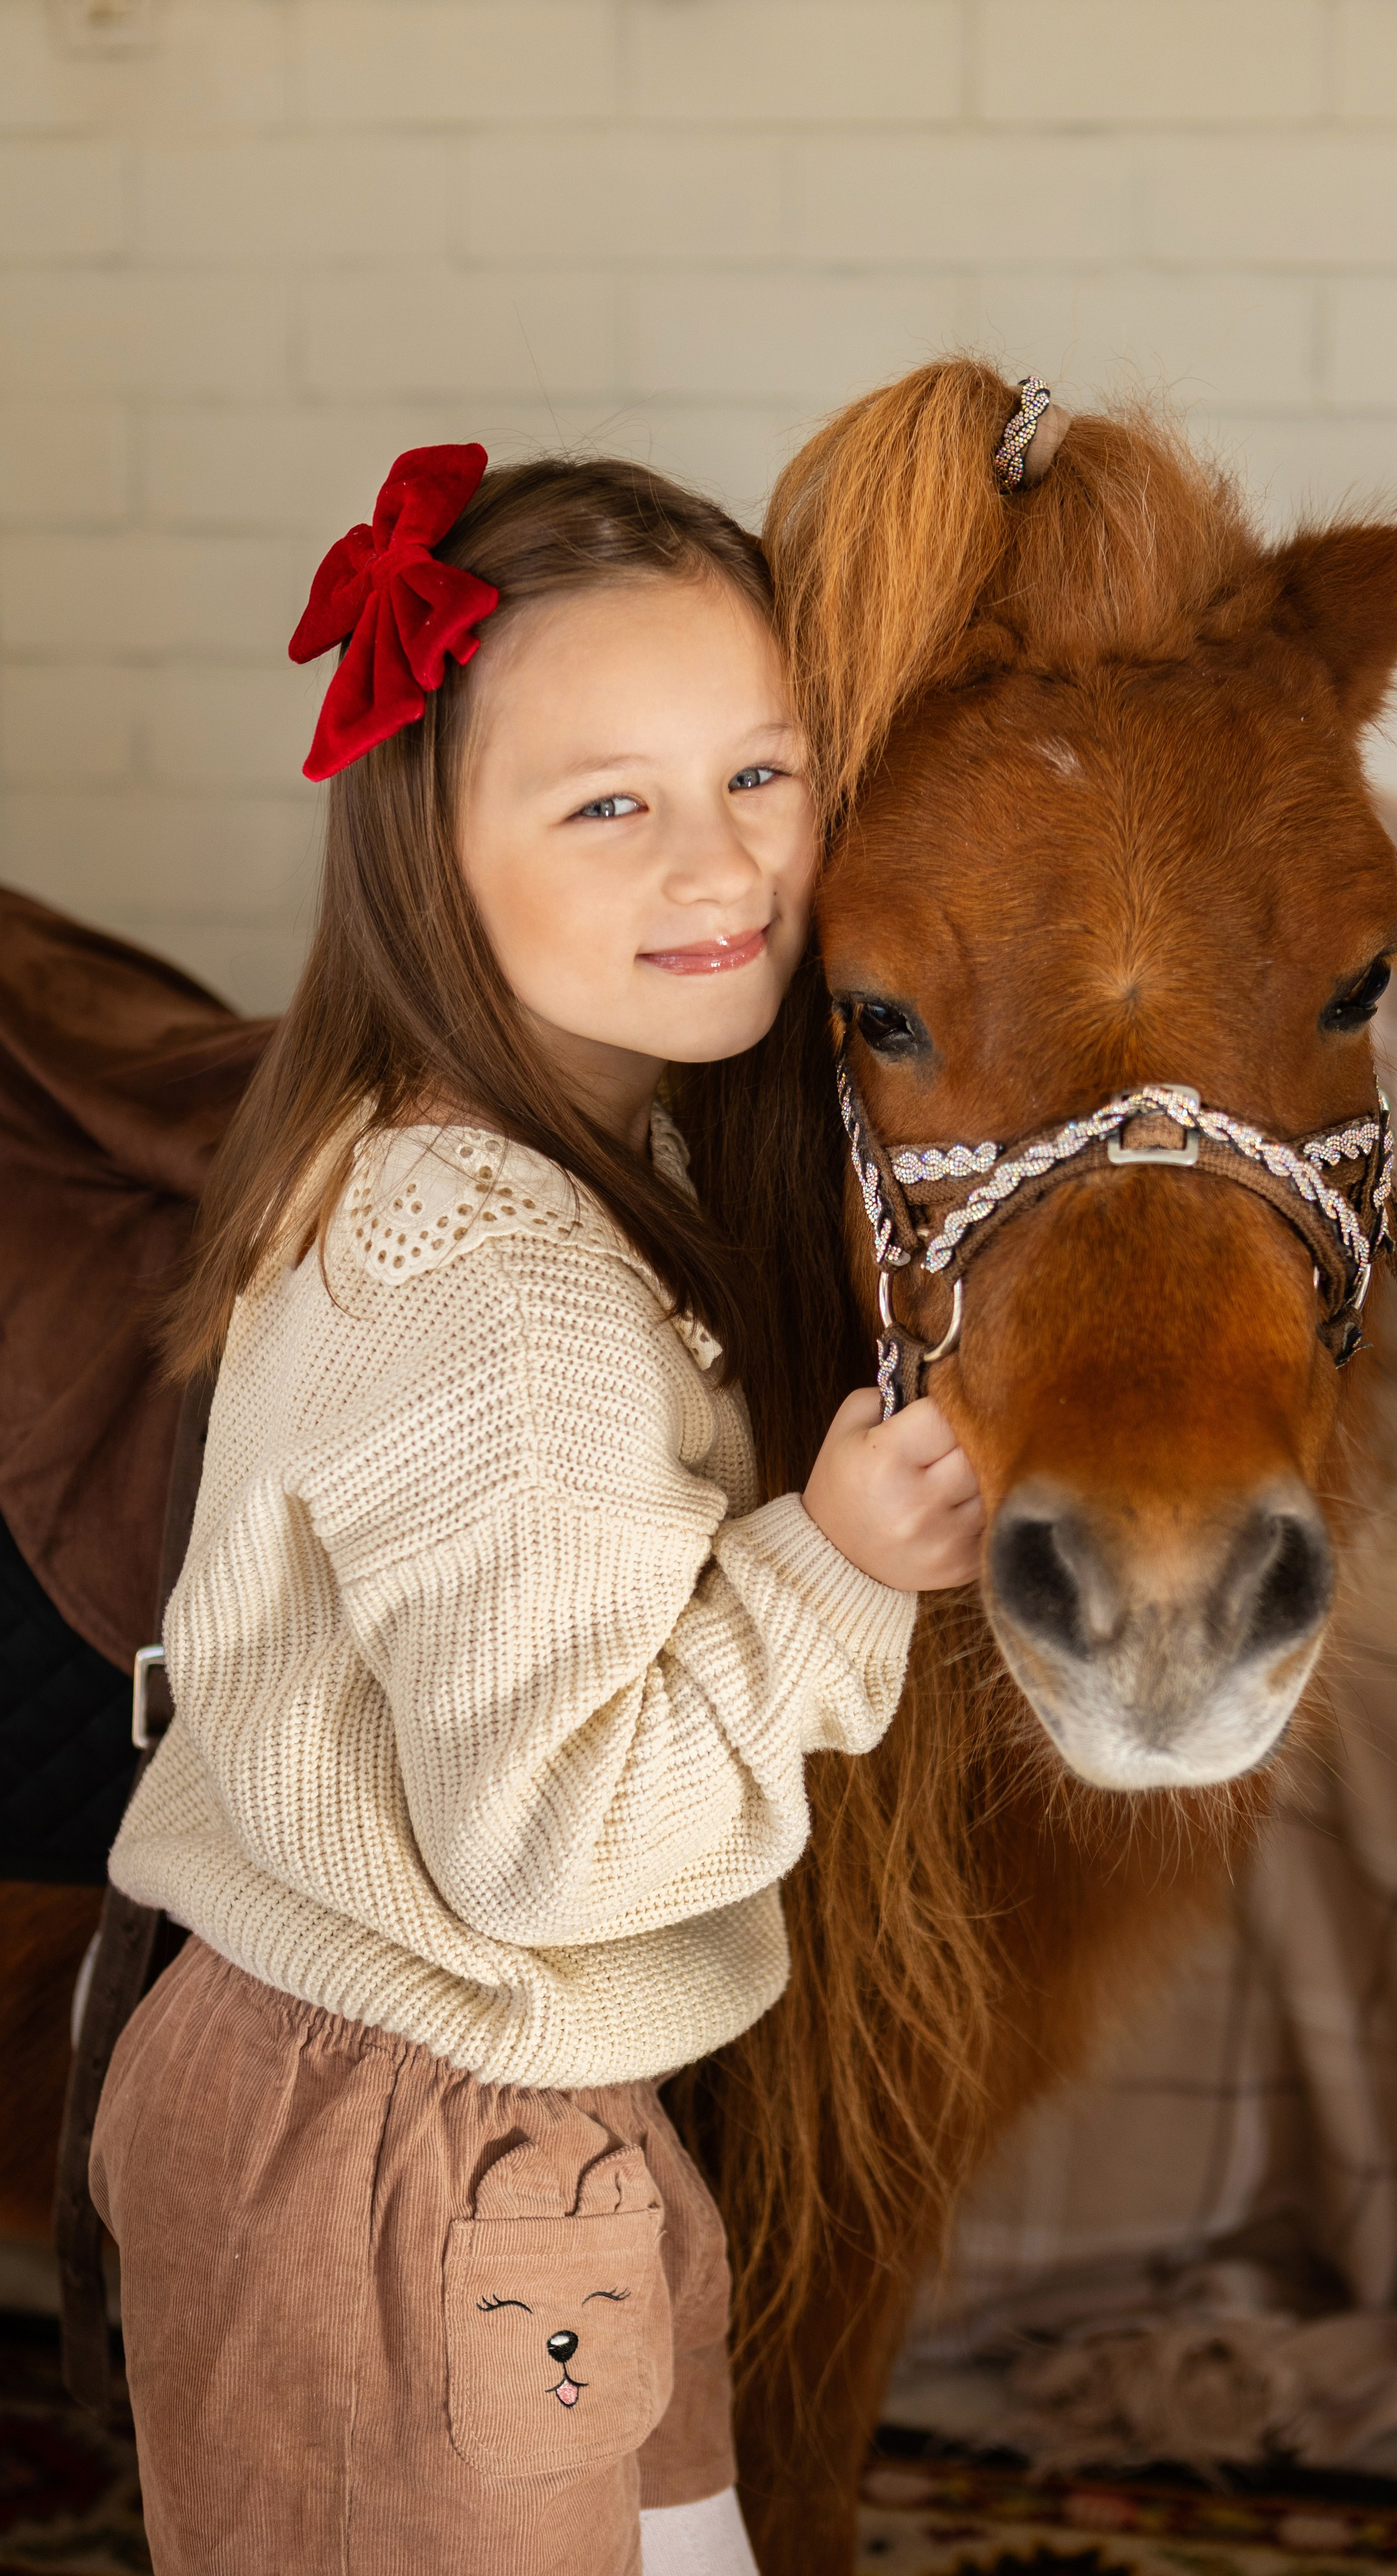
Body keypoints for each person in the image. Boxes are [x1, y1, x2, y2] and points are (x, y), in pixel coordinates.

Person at [89, 443, 982, 2576]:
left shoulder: (501, 1158)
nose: (726, 864)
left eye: (765, 774)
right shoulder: (506, 1295)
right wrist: (834, 1573)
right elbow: (550, 1848)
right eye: (611, 803)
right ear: (434, 858)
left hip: (505, 2102)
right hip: (410, 2131)